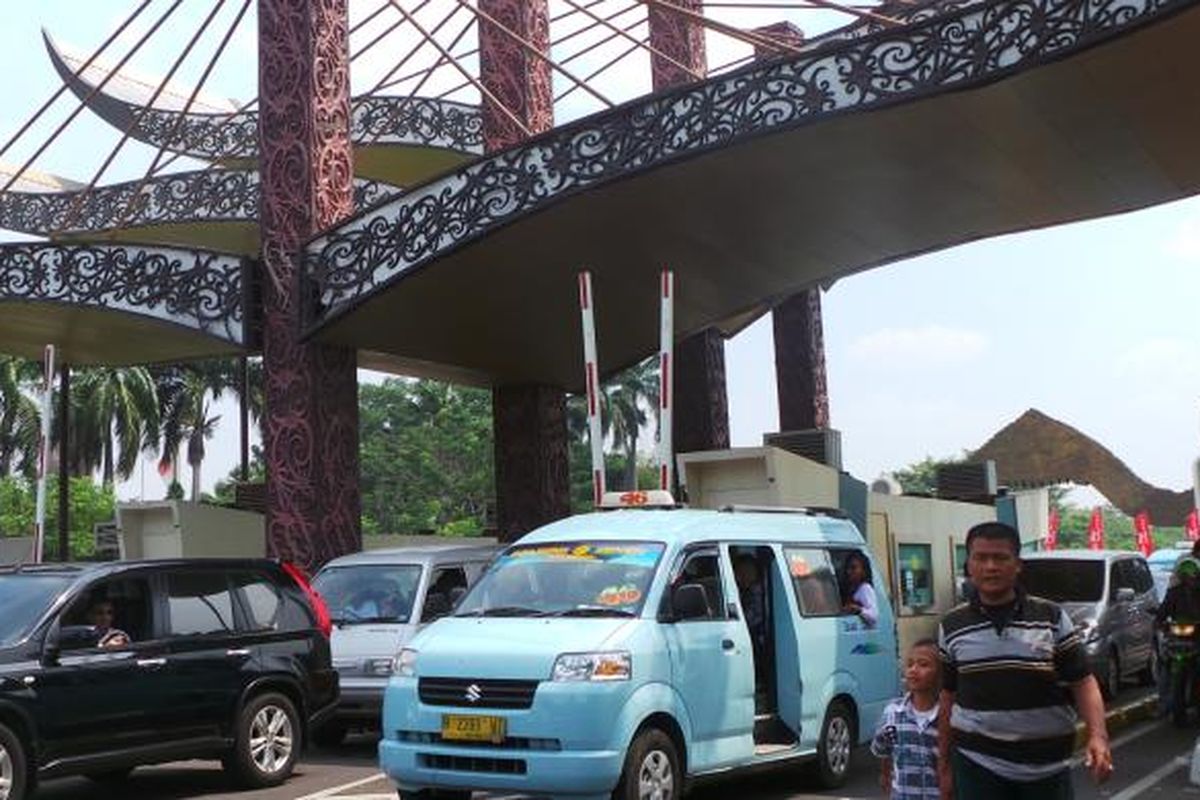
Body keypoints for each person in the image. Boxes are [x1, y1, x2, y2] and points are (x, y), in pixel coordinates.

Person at [937, 522, 1111, 800]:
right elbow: (948, 695)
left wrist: (1098, 736)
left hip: (1047, 769)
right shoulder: (951, 625)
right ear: (968, 565)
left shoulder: (1051, 618)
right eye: (981, 558)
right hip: (976, 764)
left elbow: (1083, 681)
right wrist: (943, 764)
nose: (990, 566)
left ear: (1017, 564)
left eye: (1000, 558)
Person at [872, 639, 941, 800]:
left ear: (940, 673)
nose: (913, 670)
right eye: (910, 664)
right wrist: (885, 775)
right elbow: (883, 749)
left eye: (923, 664)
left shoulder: (946, 715)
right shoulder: (893, 713)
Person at [842, 551, 879, 628]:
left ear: (864, 571)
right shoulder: (851, 588)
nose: (848, 572)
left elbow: (874, 616)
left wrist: (858, 610)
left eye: (853, 568)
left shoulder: (865, 589)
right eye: (847, 568)